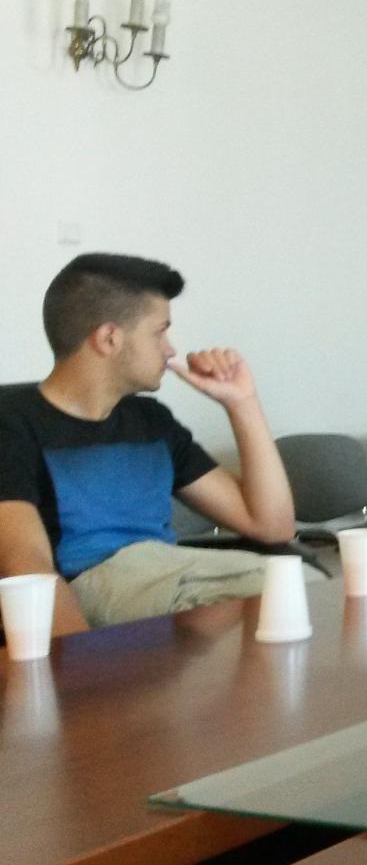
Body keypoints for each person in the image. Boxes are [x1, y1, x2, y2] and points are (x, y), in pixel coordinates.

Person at [0, 253, 307, 635]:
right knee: (253, 604)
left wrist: (241, 403)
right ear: (110, 338)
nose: (170, 349)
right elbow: (26, 567)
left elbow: (272, 526)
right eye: (159, 332)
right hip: (91, 586)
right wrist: (76, 668)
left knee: (294, 584)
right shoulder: (10, 423)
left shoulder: (151, 421)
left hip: (165, 576)